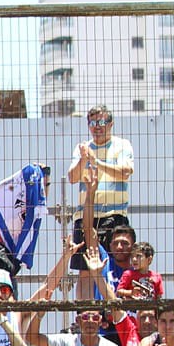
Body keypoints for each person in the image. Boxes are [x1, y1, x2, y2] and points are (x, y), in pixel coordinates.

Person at [66, 104, 133, 251]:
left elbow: (125, 172)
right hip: (85, 216)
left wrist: (97, 163)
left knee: (115, 267)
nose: (97, 127)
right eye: (93, 123)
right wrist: (84, 159)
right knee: (85, 271)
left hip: (114, 215)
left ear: (111, 124)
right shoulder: (82, 148)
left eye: (101, 122)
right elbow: (72, 178)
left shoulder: (122, 145)